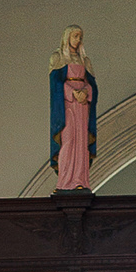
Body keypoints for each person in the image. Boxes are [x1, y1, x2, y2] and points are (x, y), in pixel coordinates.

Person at [50, 25, 97, 190]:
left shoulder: (84, 60)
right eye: (75, 36)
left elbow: (91, 84)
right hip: (67, 104)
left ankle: (80, 180)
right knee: (68, 139)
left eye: (80, 37)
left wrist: (86, 92)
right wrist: (72, 92)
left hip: (82, 105)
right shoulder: (58, 58)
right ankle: (64, 181)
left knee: (81, 141)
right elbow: (55, 83)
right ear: (67, 37)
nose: (78, 40)